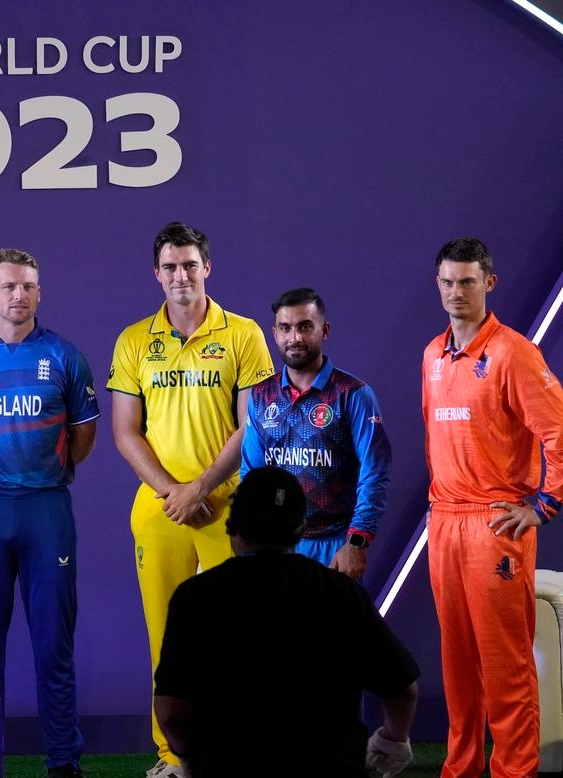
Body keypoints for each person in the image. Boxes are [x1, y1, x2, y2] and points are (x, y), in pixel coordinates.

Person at [106, 221, 274, 778]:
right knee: (168, 636)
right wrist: (172, 491)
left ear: (208, 268)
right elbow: (125, 431)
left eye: (190, 265)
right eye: (171, 267)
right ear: (156, 274)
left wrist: (200, 488)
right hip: (159, 509)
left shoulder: (244, 333)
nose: (181, 276)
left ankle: (234, 750)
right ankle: (174, 755)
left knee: (236, 636)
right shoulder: (134, 339)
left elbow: (254, 426)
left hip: (228, 508)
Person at [0, 249, 99, 778]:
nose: (18, 295)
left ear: (39, 292)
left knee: (54, 646)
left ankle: (63, 762)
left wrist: (35, 478)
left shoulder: (65, 357)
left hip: (46, 510)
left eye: (28, 285)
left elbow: (84, 436)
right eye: (8, 286)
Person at [153, 466, 419, 777]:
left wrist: (191, 758)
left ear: (231, 527)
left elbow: (170, 712)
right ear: (300, 528)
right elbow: (403, 689)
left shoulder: (195, 597)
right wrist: (392, 738)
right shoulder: (340, 592)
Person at [422, 237, 563, 778]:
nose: (457, 292)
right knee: (457, 665)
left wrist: (543, 505)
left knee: (504, 665)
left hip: (494, 522)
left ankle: (514, 770)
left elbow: (558, 433)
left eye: (468, 281)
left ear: (489, 284)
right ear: (437, 285)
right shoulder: (433, 353)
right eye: (448, 282)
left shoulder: (513, 353)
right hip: (445, 520)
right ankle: (461, 769)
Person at [240, 287, 391, 577]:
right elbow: (251, 474)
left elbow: (375, 472)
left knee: (331, 624)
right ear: (275, 334)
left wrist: (357, 543)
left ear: (325, 330)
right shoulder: (261, 395)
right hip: (278, 546)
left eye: (304, 327)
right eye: (285, 328)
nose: (294, 338)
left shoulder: (353, 394)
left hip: (334, 547)